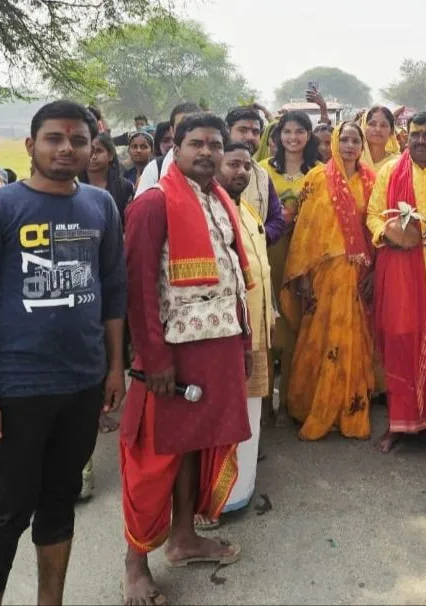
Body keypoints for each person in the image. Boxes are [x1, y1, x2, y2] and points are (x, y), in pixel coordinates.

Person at [0, 100, 126, 605]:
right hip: (15, 389)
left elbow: (113, 292)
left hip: (81, 385)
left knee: (59, 503)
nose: (67, 148)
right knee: (4, 512)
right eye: (54, 138)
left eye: (78, 140)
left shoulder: (101, 207)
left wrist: (114, 368)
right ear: (31, 145)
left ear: (92, 148)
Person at [120, 113, 253, 606]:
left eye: (214, 144)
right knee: (156, 456)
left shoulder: (218, 199)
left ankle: (183, 539)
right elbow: (137, 289)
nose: (206, 152)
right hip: (170, 356)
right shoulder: (153, 204)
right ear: (174, 146)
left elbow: (235, 277)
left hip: (217, 346)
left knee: (198, 447)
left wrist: (241, 344)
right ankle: (135, 564)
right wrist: (153, 357)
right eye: (195, 143)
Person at [366, 111, 426, 453]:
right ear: (406, 137)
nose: (421, 140)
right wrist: (387, 234)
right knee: (400, 345)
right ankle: (399, 424)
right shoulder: (390, 172)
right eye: (416, 134)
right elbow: (374, 213)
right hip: (401, 273)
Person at [279, 122, 377, 441]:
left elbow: (373, 231)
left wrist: (373, 273)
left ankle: (347, 409)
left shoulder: (370, 181)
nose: (349, 145)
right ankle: (312, 406)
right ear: (333, 142)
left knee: (352, 339)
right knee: (318, 337)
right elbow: (304, 230)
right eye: (344, 139)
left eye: (355, 140)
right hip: (321, 275)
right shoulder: (317, 178)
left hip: (356, 274)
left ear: (362, 146)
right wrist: (303, 276)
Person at [202, 141, 273, 526]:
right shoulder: (208, 210)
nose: (242, 172)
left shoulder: (243, 208)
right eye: (233, 164)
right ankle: (216, 499)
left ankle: (241, 490)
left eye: (247, 165)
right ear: (216, 165)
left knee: (250, 412)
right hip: (227, 336)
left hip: (256, 328)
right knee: (226, 417)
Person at [260, 110, 321, 416]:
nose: (293, 137)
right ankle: (263, 404)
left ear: (308, 136)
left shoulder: (320, 173)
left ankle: (292, 401)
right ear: (277, 136)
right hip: (270, 254)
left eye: (300, 132)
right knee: (269, 325)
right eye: (287, 132)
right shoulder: (261, 171)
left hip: (306, 259)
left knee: (299, 324)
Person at [225, 106, 287, 245]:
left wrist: (256, 237)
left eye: (255, 132)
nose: (250, 137)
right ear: (227, 132)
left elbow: (277, 220)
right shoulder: (212, 171)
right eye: (242, 130)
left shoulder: (262, 175)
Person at [135, 102, 203, 195]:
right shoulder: (154, 169)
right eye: (181, 127)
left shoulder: (212, 166)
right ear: (172, 131)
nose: (188, 132)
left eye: (194, 126)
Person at [81, 132, 135, 219]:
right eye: (89, 151)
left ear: (110, 155)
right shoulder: (73, 187)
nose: (93, 156)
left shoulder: (125, 187)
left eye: (98, 151)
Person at [360, 106, 401, 173]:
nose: (377, 129)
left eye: (383, 125)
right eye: (372, 124)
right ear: (364, 127)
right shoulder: (352, 162)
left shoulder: (398, 163)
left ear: (391, 131)